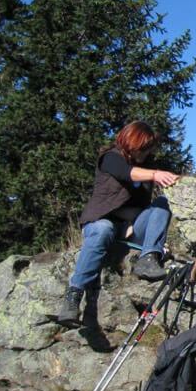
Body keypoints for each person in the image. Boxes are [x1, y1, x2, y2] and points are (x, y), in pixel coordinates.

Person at [57, 121, 181, 329]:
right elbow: (126, 173)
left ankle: (149, 257)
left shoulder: (145, 168)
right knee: (104, 228)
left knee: (161, 204)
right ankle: (74, 295)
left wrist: (134, 225)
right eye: (143, 148)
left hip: (129, 228)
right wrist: (155, 174)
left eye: (148, 148)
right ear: (131, 142)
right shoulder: (110, 158)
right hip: (99, 222)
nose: (145, 153)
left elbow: (141, 206)